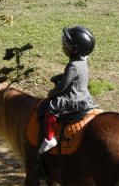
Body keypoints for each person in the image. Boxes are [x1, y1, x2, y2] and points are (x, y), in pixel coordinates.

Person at [39, 26, 98, 154]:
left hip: (72, 98)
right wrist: (59, 76)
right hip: (83, 95)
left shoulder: (73, 66)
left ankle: (49, 139)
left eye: (67, 45)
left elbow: (63, 86)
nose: (63, 47)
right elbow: (71, 77)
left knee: (50, 110)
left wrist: (52, 93)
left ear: (75, 50)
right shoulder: (82, 62)